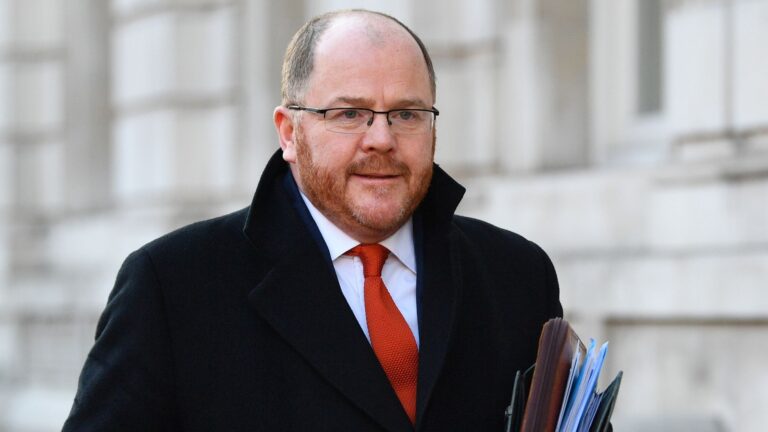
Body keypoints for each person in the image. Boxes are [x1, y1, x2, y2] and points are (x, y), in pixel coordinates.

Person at [63, 9, 562, 432]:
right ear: (289, 132)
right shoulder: (172, 285)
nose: (381, 139)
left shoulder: (517, 274)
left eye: (407, 114)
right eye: (349, 114)